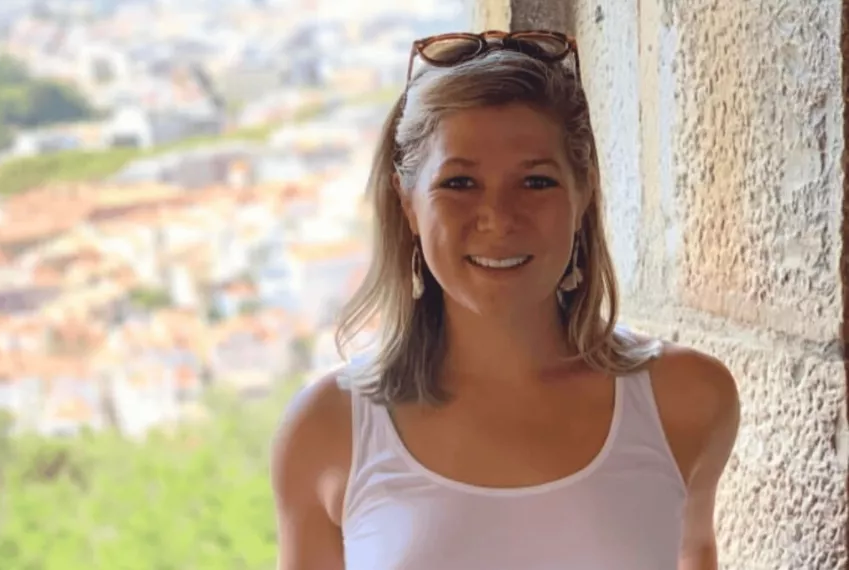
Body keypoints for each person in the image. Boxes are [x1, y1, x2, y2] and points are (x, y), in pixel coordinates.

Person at [270, 29, 740, 570]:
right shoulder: (327, 430)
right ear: (408, 204)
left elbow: (694, 552)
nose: (498, 219)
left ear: (584, 193)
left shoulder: (688, 399)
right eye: (459, 183)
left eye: (536, 182)